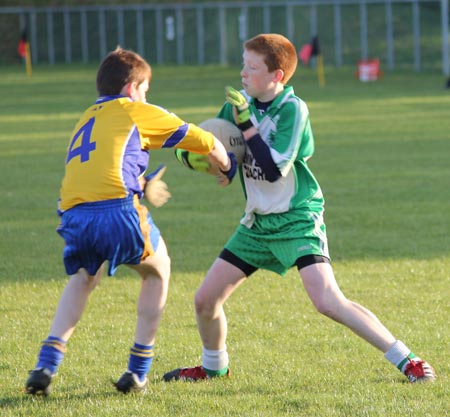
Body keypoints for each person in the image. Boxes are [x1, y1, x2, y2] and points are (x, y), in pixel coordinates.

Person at [162, 34, 436, 384]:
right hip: (257, 223)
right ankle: (214, 367)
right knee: (205, 299)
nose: (243, 73)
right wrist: (203, 159)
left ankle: (407, 360)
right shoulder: (236, 104)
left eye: (252, 67)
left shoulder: (293, 109)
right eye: (243, 64)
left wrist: (246, 124)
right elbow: (220, 148)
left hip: (296, 218)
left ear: (276, 76)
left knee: (327, 301)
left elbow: (274, 167)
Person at [25, 46, 237, 396]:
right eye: (145, 91)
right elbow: (204, 139)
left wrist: (142, 183)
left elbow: (101, 167)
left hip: (74, 213)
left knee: (83, 278)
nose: (146, 98)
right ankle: (138, 372)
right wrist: (227, 165)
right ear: (131, 89)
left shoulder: (86, 117)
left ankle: (46, 364)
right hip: (117, 210)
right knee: (158, 270)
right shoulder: (136, 110)